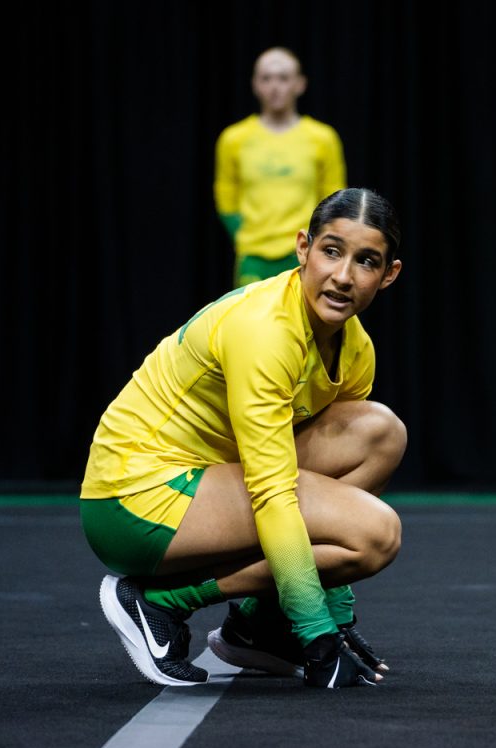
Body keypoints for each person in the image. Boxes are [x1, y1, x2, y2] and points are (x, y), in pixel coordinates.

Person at [80, 188, 405, 689]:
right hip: (132, 497)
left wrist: (335, 613)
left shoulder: (356, 348)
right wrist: (320, 630)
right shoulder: (265, 330)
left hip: (209, 481)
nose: (343, 277)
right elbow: (275, 491)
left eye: (366, 262)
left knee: (380, 433)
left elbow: (323, 485)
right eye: (331, 251)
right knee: (374, 535)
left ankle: (260, 629)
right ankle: (159, 602)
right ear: (303, 248)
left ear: (388, 275)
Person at [215, 47, 347, 287]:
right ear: (255, 84)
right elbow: (226, 196)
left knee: (301, 324)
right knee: (251, 323)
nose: (275, 86)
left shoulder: (322, 138)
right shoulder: (233, 139)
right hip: (253, 256)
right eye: (266, 78)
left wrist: (316, 241)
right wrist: (243, 235)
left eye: (284, 78)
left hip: (303, 254)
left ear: (300, 84)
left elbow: (334, 197)